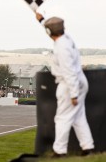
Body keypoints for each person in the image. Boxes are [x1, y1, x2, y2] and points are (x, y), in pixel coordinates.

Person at [36, 12, 95, 157]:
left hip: (69, 84)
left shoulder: (61, 48)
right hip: (80, 81)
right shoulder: (66, 39)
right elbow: (52, 30)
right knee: (78, 117)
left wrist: (73, 94)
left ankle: (59, 151)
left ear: (50, 32)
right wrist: (42, 20)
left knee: (62, 118)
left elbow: (69, 72)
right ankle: (87, 147)